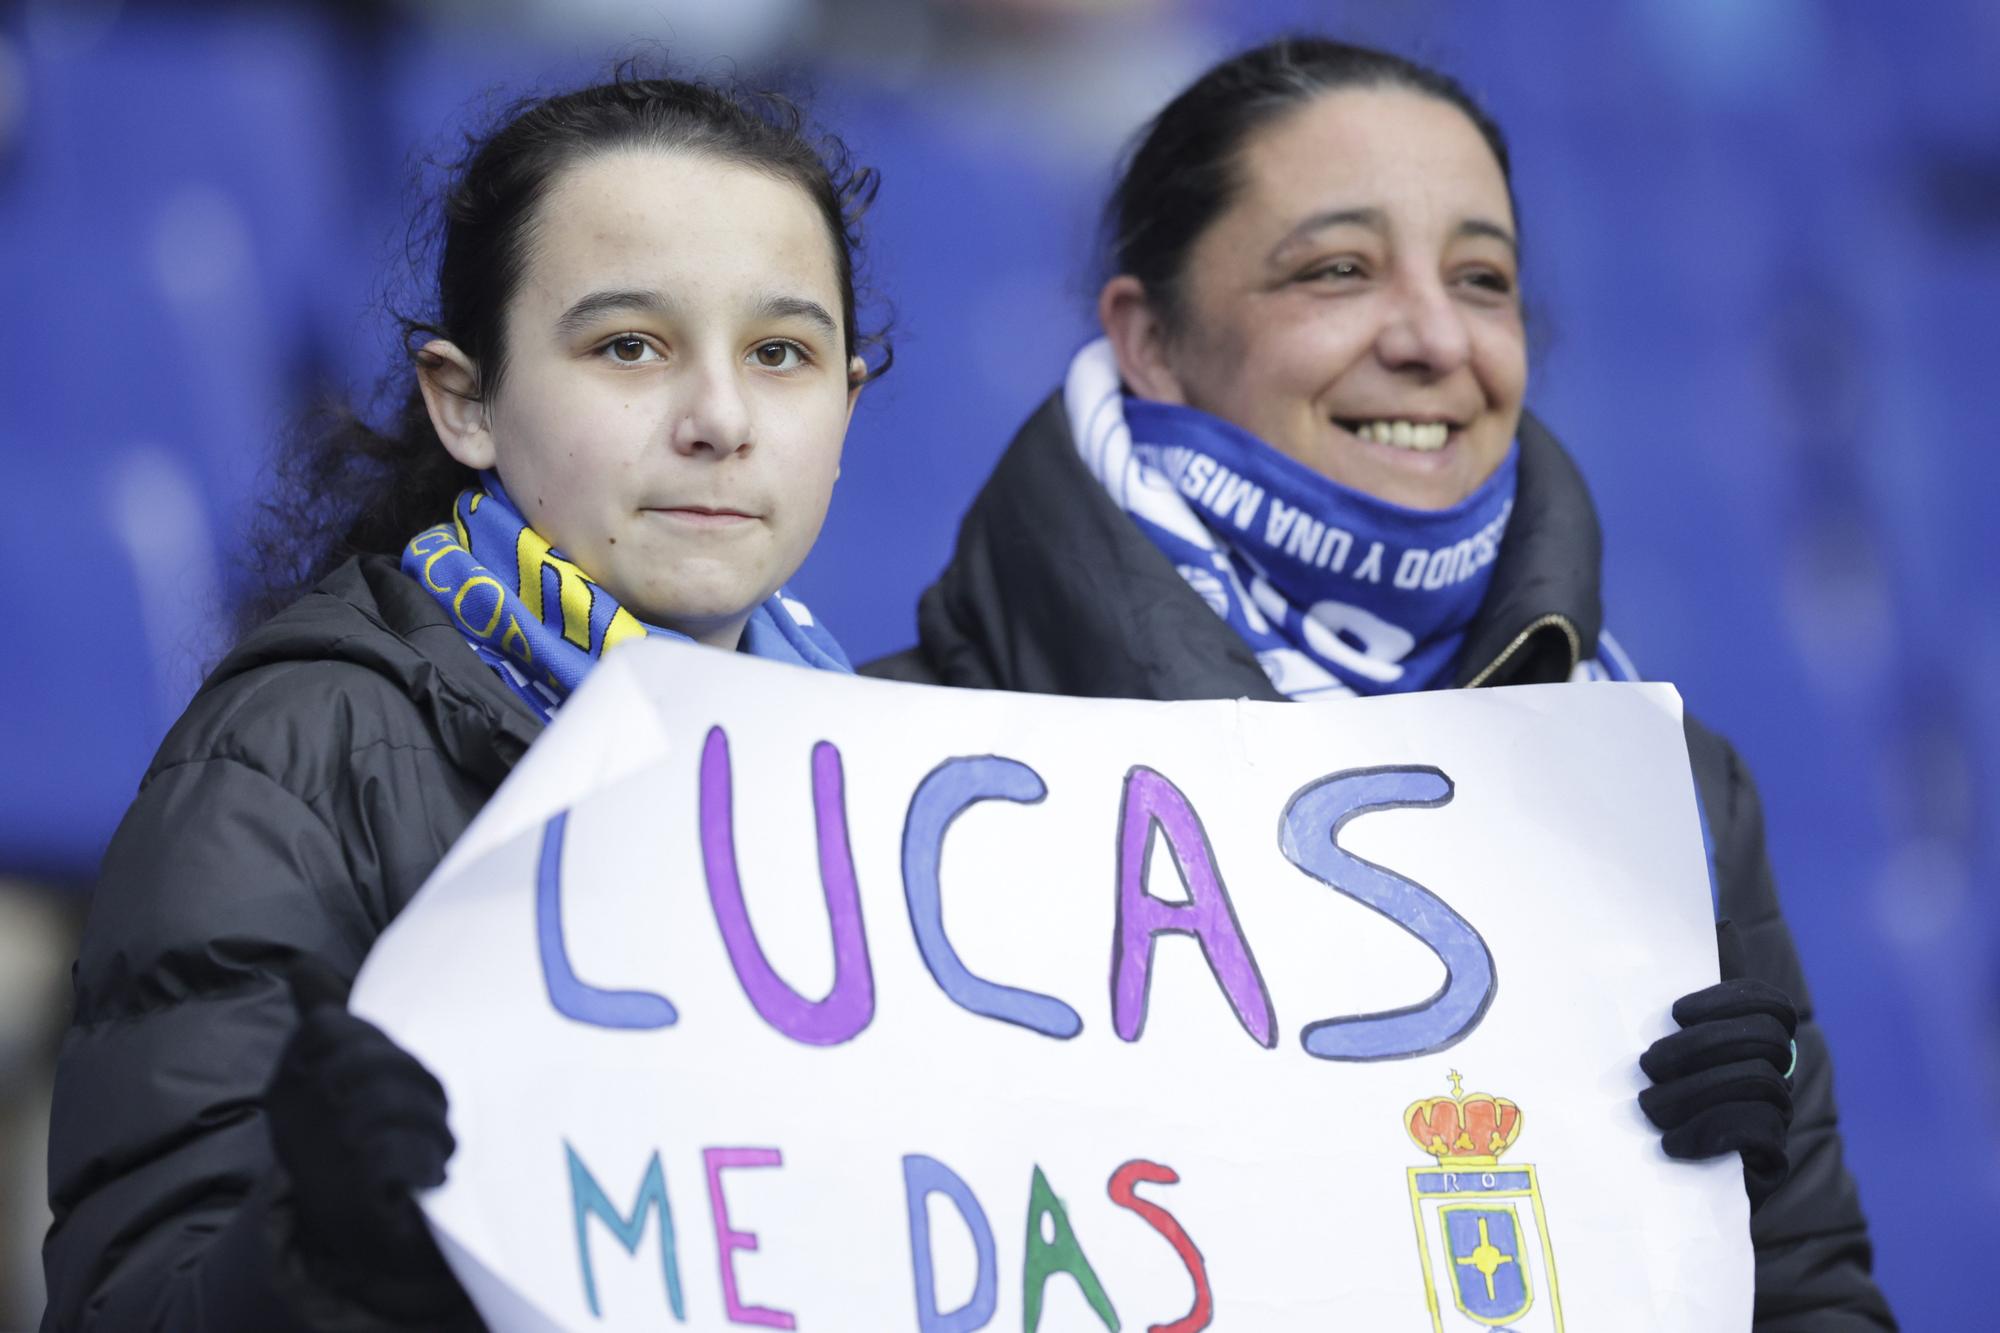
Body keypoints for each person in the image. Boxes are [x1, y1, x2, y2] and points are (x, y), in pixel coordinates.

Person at [864, 36, 1896, 1330]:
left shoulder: (1675, 795)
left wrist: (1723, 1226)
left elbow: (1819, 1294)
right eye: (1338, 271)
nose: (1429, 336)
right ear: (1151, 339)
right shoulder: (884, 771)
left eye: (1484, 279)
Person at [41, 67, 883, 1331]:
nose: (720, 417)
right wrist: (318, 1250)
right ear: (465, 402)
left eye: (780, 353)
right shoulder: (287, 756)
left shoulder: (894, 766)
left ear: (845, 405)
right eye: (628, 346)